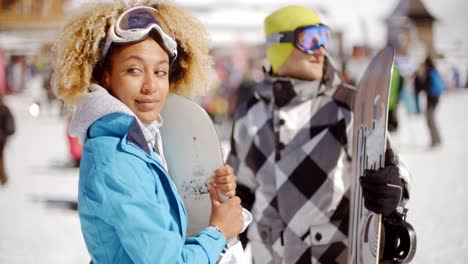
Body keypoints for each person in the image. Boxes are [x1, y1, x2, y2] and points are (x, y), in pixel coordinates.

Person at [52, 2, 244, 263]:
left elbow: (162, 230)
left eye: (160, 71)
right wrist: (218, 233)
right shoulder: (116, 155)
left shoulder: (139, 141)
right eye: (134, 70)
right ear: (105, 75)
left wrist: (204, 193)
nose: (151, 85)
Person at [227, 5, 412, 263]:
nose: (321, 49)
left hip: (329, 254)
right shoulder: (250, 114)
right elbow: (242, 190)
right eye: (311, 39)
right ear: (279, 45)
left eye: (324, 37)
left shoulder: (348, 106)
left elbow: (394, 168)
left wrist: (393, 186)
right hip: (268, 256)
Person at [421, 56, 444, 147]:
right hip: (436, 97)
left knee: (430, 120)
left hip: (431, 98)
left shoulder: (428, 72)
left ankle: (435, 141)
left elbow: (425, 86)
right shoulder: (435, 71)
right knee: (432, 119)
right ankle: (437, 139)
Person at [0, 94, 15, 186]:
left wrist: (4, 134)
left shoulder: (5, 110)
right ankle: (3, 177)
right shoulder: (5, 109)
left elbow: (10, 127)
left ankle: (3, 177)